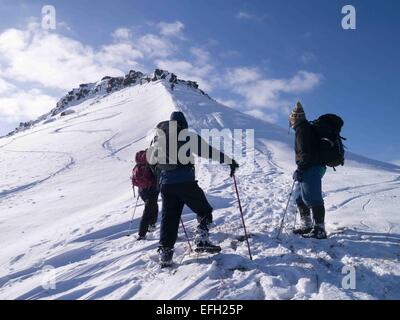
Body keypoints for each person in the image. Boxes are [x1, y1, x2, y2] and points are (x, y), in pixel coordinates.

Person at [147, 111, 239, 267]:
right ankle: (202, 240)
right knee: (203, 209)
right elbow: (208, 151)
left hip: (166, 185)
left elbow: (151, 161)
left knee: (169, 218)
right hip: (185, 182)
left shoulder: (159, 139)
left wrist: (161, 174)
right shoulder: (187, 135)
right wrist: (229, 161)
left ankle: (166, 252)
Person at [290, 102, 327, 239]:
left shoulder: (302, 129)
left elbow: (305, 152)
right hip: (311, 166)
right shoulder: (305, 128)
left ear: (295, 118)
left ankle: (319, 229)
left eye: (292, 117)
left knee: (312, 197)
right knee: (300, 197)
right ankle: (307, 224)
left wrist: (300, 168)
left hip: (312, 166)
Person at [131, 150, 159, 240]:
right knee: (148, 210)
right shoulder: (150, 162)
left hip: (142, 190)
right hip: (152, 189)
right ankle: (142, 233)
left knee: (151, 206)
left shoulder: (138, 165)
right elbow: (156, 174)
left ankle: (151, 225)